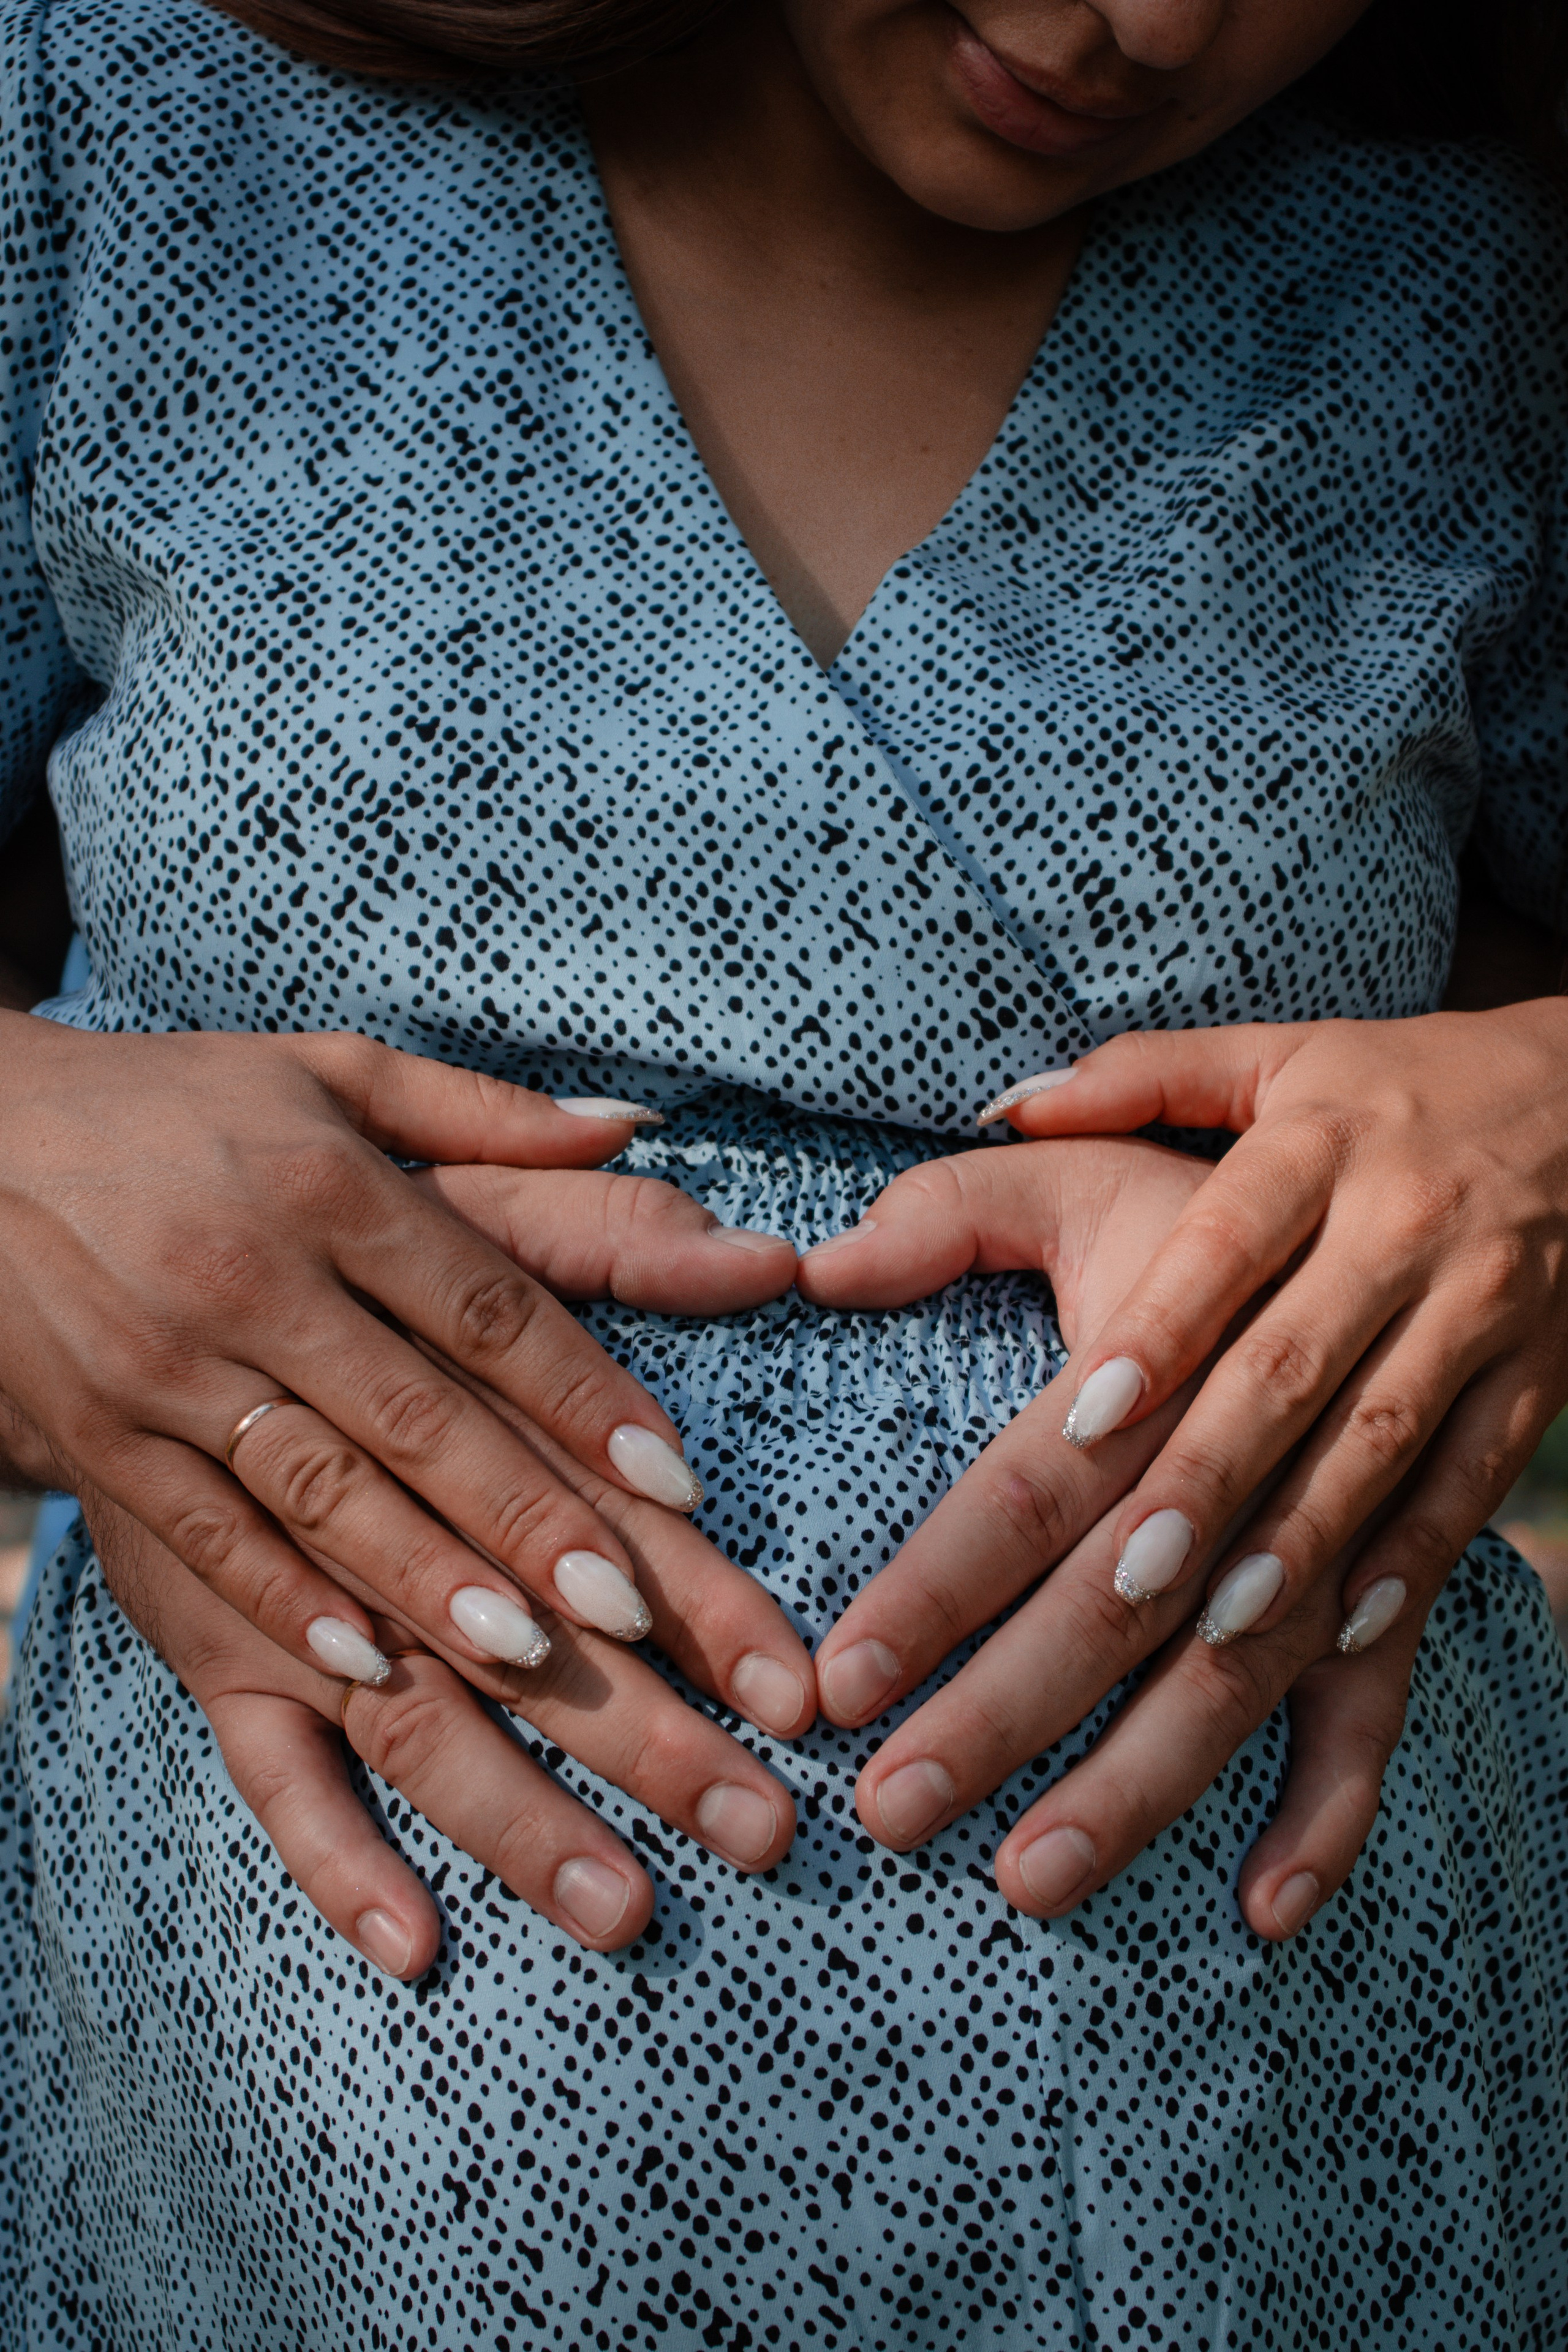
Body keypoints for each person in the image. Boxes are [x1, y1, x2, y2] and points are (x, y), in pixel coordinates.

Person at [0, 0, 1564, 2339]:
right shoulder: (108, 120)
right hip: (260, 2220)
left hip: (1296, 2184)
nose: (1125, 22)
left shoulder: (1468, 289)